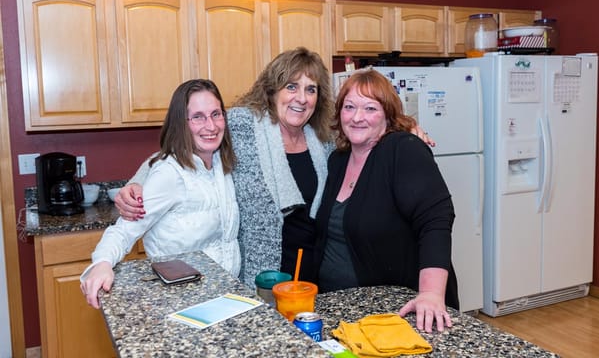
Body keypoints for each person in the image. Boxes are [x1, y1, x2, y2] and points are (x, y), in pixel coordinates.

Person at [115, 48, 435, 287]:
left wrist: (406, 130)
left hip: (316, 271)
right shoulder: (243, 125)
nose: (301, 98)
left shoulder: (322, 140)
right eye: (291, 87)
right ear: (272, 91)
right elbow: (184, 144)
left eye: (311, 89)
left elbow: (367, 130)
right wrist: (137, 183)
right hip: (262, 272)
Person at [313, 68, 458, 333]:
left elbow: (436, 220)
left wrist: (431, 294)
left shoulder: (403, 149)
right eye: (349, 107)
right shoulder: (337, 160)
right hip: (340, 309)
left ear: (388, 116)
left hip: (395, 309)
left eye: (370, 108)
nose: (357, 117)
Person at [80, 79, 240, 309]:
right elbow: (124, 230)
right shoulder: (170, 173)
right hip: (182, 301)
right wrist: (102, 264)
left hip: (222, 295)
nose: (211, 125)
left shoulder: (220, 164)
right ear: (181, 123)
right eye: (198, 117)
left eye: (216, 114)